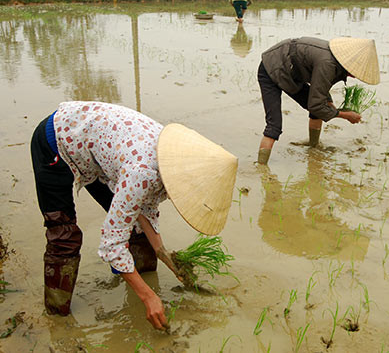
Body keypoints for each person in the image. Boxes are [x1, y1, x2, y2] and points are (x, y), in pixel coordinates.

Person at [30, 101, 238, 329]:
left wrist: (162, 252)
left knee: (138, 231)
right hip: (57, 142)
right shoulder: (143, 172)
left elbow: (141, 209)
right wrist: (148, 297)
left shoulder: (169, 161)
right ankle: (57, 319)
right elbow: (112, 245)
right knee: (64, 237)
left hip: (99, 155)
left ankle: (137, 284)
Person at [257, 37, 380, 164]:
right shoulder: (328, 63)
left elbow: (321, 90)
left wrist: (330, 106)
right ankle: (261, 167)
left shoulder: (336, 61)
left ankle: (313, 146)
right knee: (274, 125)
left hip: (291, 71)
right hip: (271, 68)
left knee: (319, 107)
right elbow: (316, 105)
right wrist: (345, 115)